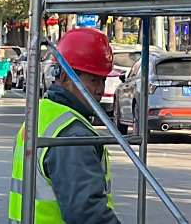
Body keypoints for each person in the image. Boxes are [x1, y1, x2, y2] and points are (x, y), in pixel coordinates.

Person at [9, 27, 121, 223]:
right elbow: (87, 213)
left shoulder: (43, 112)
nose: (99, 90)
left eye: (102, 81)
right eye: (93, 80)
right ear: (65, 77)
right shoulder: (74, 134)